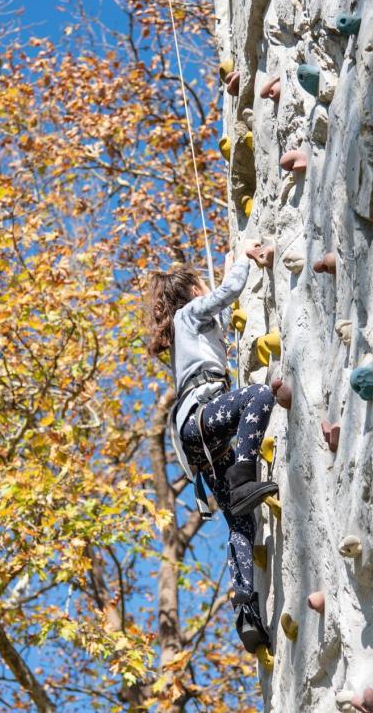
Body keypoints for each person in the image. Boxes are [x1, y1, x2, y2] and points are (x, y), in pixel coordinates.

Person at [145, 241, 277, 656]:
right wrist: (242, 260)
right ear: (191, 293)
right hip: (201, 417)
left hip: (198, 443)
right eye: (201, 284)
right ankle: (242, 478)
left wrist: (223, 265)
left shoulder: (189, 332)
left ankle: (246, 608)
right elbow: (227, 294)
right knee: (258, 396)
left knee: (242, 522)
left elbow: (220, 317)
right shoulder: (188, 314)